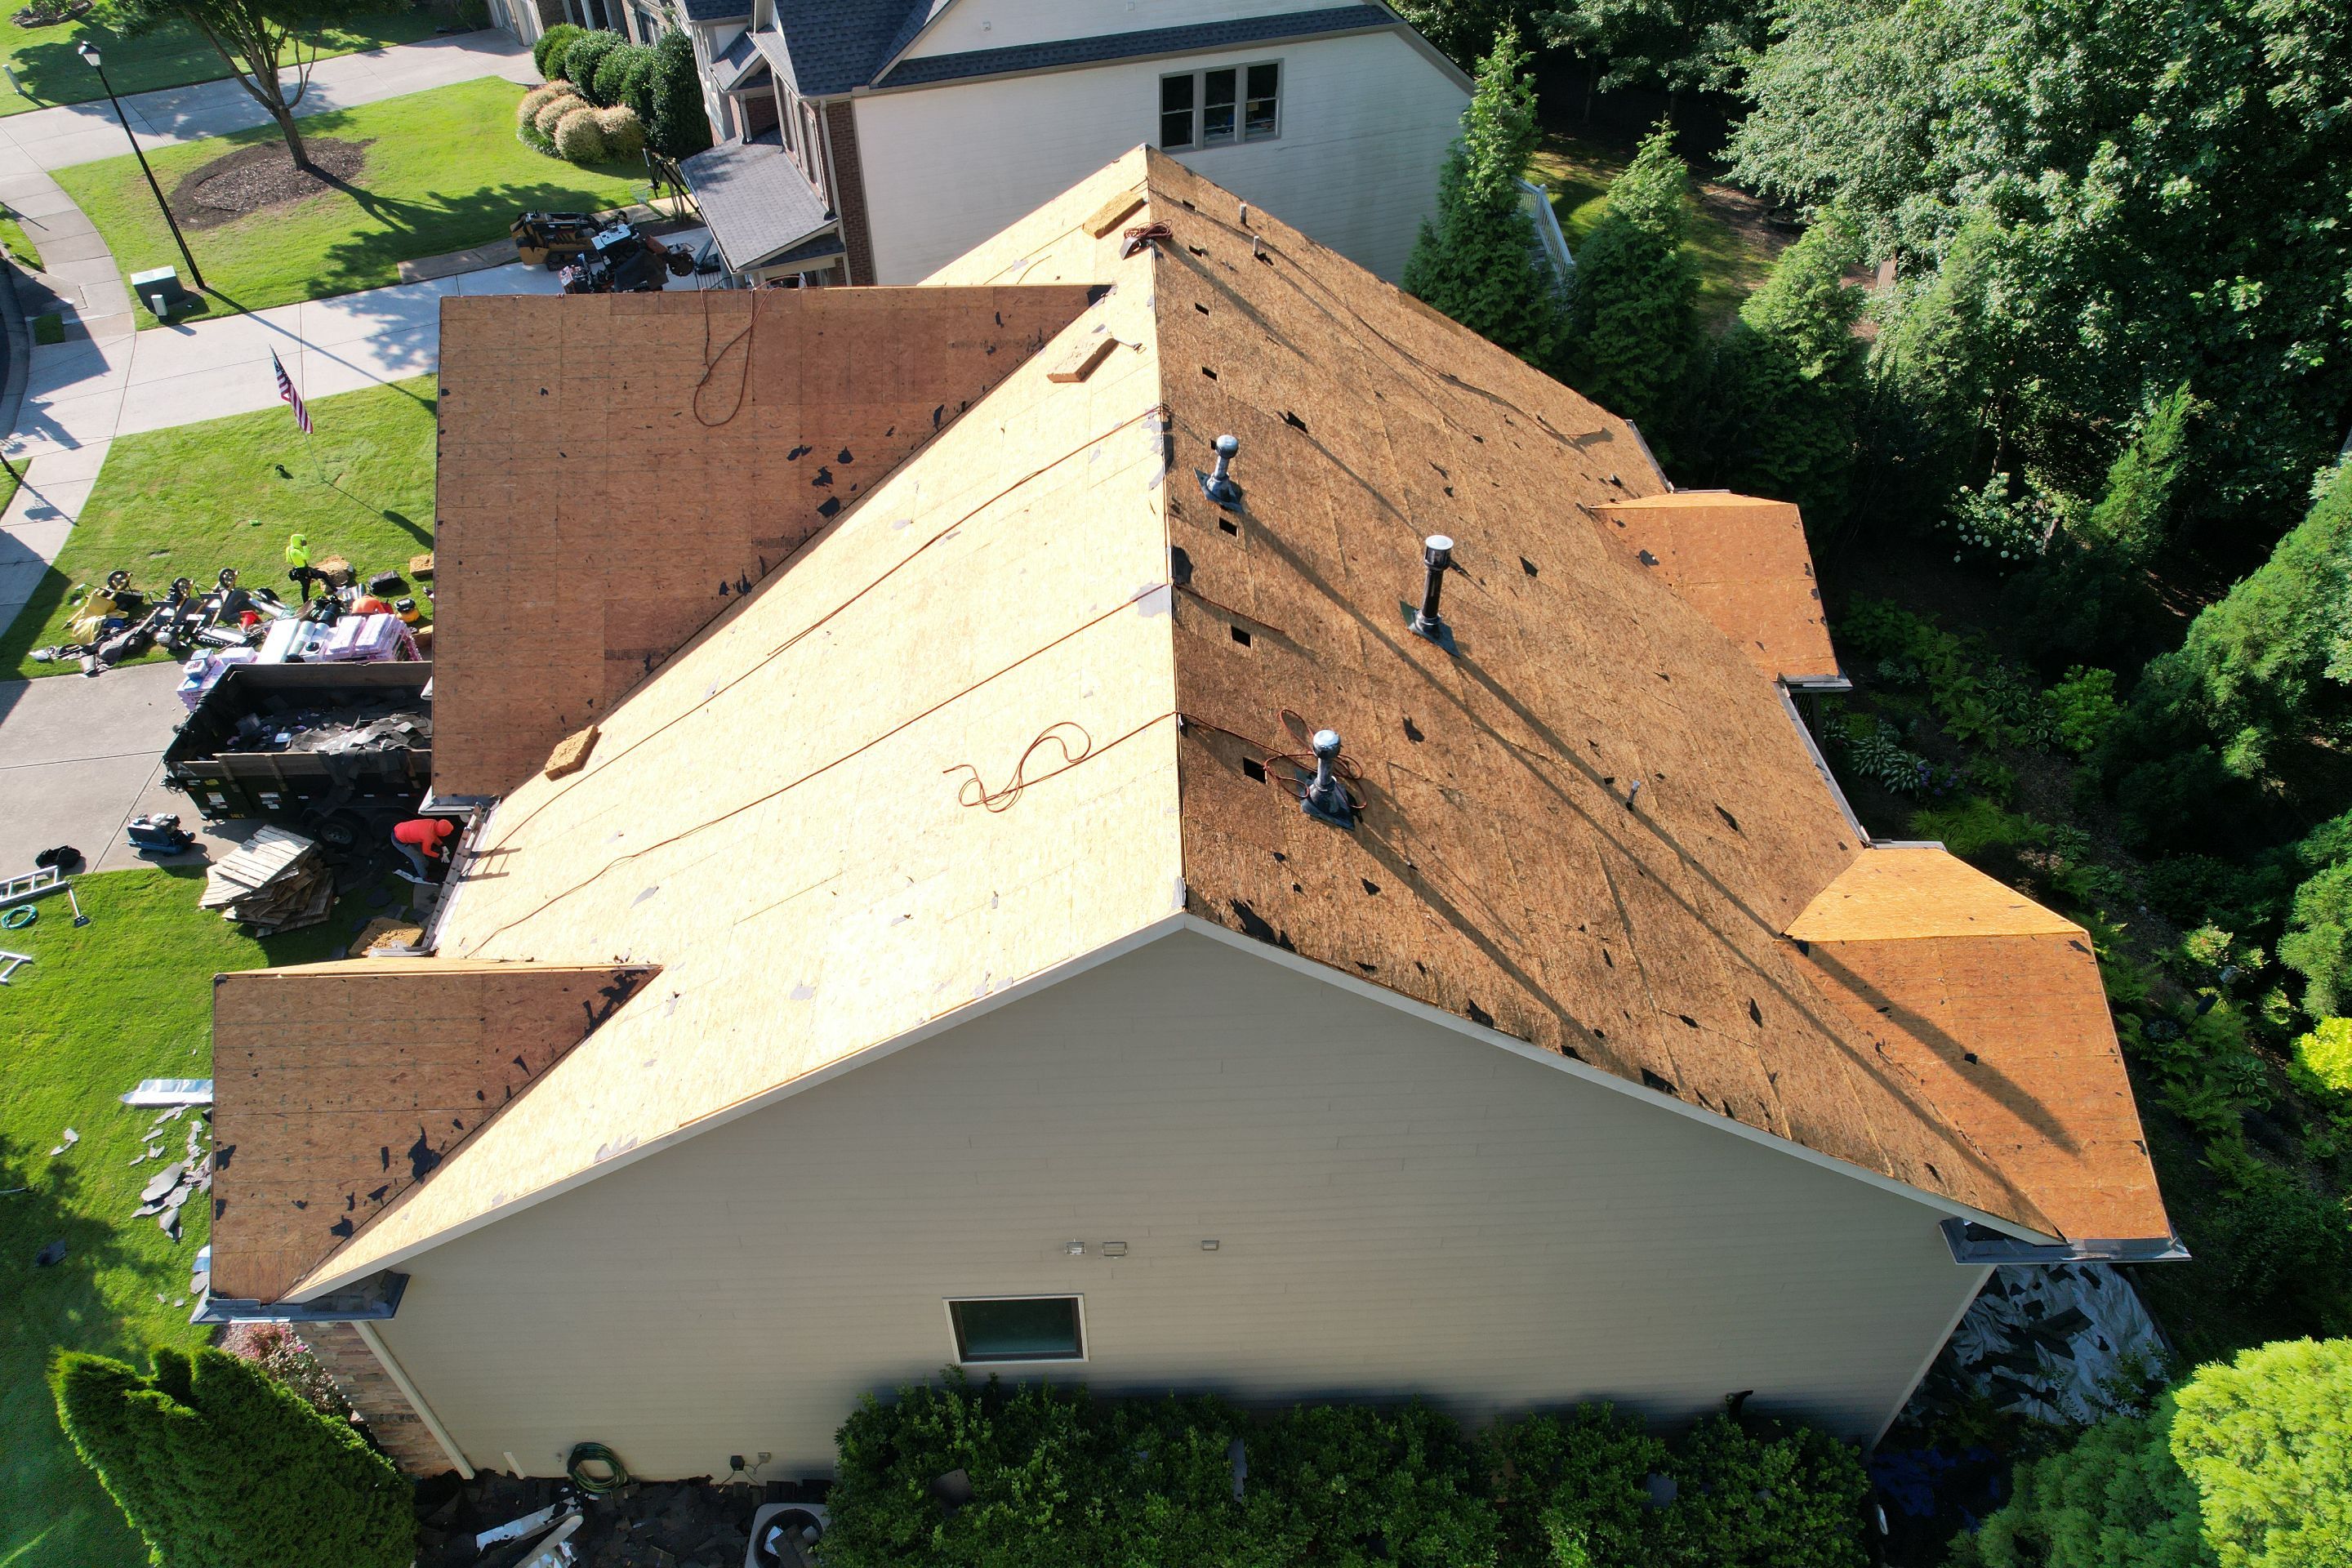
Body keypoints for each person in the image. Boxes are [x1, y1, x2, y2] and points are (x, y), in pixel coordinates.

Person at [390, 816, 458, 880]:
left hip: (402, 829)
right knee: (417, 858)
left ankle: (426, 865)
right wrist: (440, 856)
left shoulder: (433, 822)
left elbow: (433, 835)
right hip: (398, 840)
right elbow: (426, 851)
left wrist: (442, 845)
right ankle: (424, 876)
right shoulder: (428, 836)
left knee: (419, 851)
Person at [284, 532, 326, 604]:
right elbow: (307, 556)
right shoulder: (295, 551)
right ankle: (335, 590)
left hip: (298, 569)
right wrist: (304, 546)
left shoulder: (289, 549)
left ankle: (306, 602)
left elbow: (289, 560)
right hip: (303, 570)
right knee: (322, 575)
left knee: (306, 587)